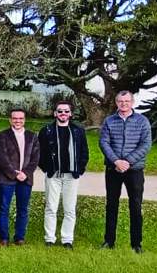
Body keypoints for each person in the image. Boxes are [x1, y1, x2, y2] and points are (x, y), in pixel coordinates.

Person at [99, 91, 152, 254]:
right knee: (111, 205)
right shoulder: (109, 121)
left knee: (135, 206)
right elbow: (104, 142)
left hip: (134, 170)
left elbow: (146, 144)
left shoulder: (142, 121)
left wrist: (127, 161)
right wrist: (116, 161)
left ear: (132, 102)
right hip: (113, 169)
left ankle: (136, 243)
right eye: (120, 101)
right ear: (116, 103)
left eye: (127, 101)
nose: (124, 104)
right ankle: (109, 241)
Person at [38, 100, 89, 249]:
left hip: (71, 176)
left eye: (66, 111)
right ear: (55, 113)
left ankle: (67, 239)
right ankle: (50, 238)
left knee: (69, 208)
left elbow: (84, 152)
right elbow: (39, 152)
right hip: (53, 175)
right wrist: (45, 168)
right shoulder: (46, 130)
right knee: (51, 207)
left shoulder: (78, 131)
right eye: (60, 111)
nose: (63, 114)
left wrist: (80, 169)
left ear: (71, 114)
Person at [0, 108, 40, 246]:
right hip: (6, 178)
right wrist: (14, 174)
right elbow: (1, 157)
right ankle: (4, 237)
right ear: (10, 120)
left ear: (24, 120)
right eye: (15, 118)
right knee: (4, 208)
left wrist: (25, 173)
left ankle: (19, 237)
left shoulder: (32, 137)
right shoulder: (2, 136)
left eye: (20, 118)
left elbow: (35, 158)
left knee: (23, 208)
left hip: (26, 178)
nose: (17, 121)